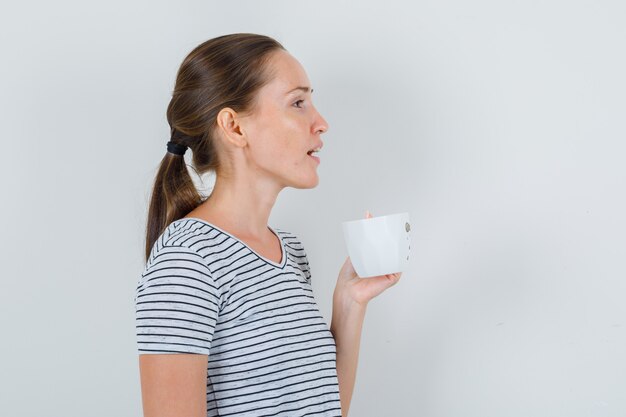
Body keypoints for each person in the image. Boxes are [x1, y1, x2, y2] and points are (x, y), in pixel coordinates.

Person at [135, 33, 402, 417]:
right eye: (298, 102)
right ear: (235, 127)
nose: (322, 122)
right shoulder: (187, 261)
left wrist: (349, 303)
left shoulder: (289, 250)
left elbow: (326, 409)